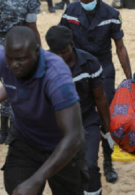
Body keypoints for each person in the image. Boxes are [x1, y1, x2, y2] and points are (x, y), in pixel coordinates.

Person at [0, 26, 88, 195]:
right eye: (10, 60)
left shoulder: (56, 75)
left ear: (37, 51)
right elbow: (13, 84)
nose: (14, 65)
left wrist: (36, 180)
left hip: (62, 146)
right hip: (25, 141)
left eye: (20, 59)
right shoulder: (6, 60)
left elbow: (74, 136)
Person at [59, 0, 132, 183]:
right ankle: (78, 156)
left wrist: (129, 79)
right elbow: (60, 39)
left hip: (103, 69)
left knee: (106, 115)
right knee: (77, 112)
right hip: (76, 68)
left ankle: (108, 161)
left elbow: (120, 47)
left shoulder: (111, 14)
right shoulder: (71, 11)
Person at [45, 25, 115, 195]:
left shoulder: (90, 63)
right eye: (56, 53)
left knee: (90, 165)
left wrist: (108, 130)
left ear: (72, 44)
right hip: (57, 125)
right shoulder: (44, 66)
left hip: (87, 120)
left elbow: (100, 99)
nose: (60, 57)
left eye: (64, 52)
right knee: (61, 170)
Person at [0, 0, 41, 144]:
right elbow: (32, 27)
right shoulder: (29, 1)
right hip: (21, 48)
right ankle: (11, 130)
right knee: (15, 86)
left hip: (2, 46)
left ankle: (3, 129)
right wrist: (39, 50)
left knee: (7, 85)